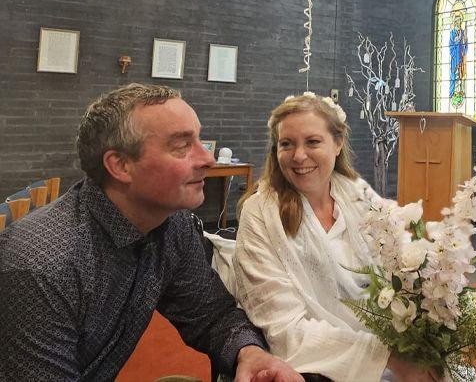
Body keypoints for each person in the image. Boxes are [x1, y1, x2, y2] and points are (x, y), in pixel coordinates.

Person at [0, 83, 302, 382]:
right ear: (120, 165)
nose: (207, 160)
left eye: (199, 140)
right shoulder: (41, 265)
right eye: (182, 146)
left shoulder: (172, 224)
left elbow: (211, 315)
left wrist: (250, 354)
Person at [232, 91, 437, 382]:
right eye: (286, 144)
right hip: (310, 356)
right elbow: (281, 325)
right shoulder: (260, 212)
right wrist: (390, 359)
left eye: (313, 142)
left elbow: (399, 270)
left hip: (383, 337)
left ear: (338, 143)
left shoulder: (358, 197)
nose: (299, 156)